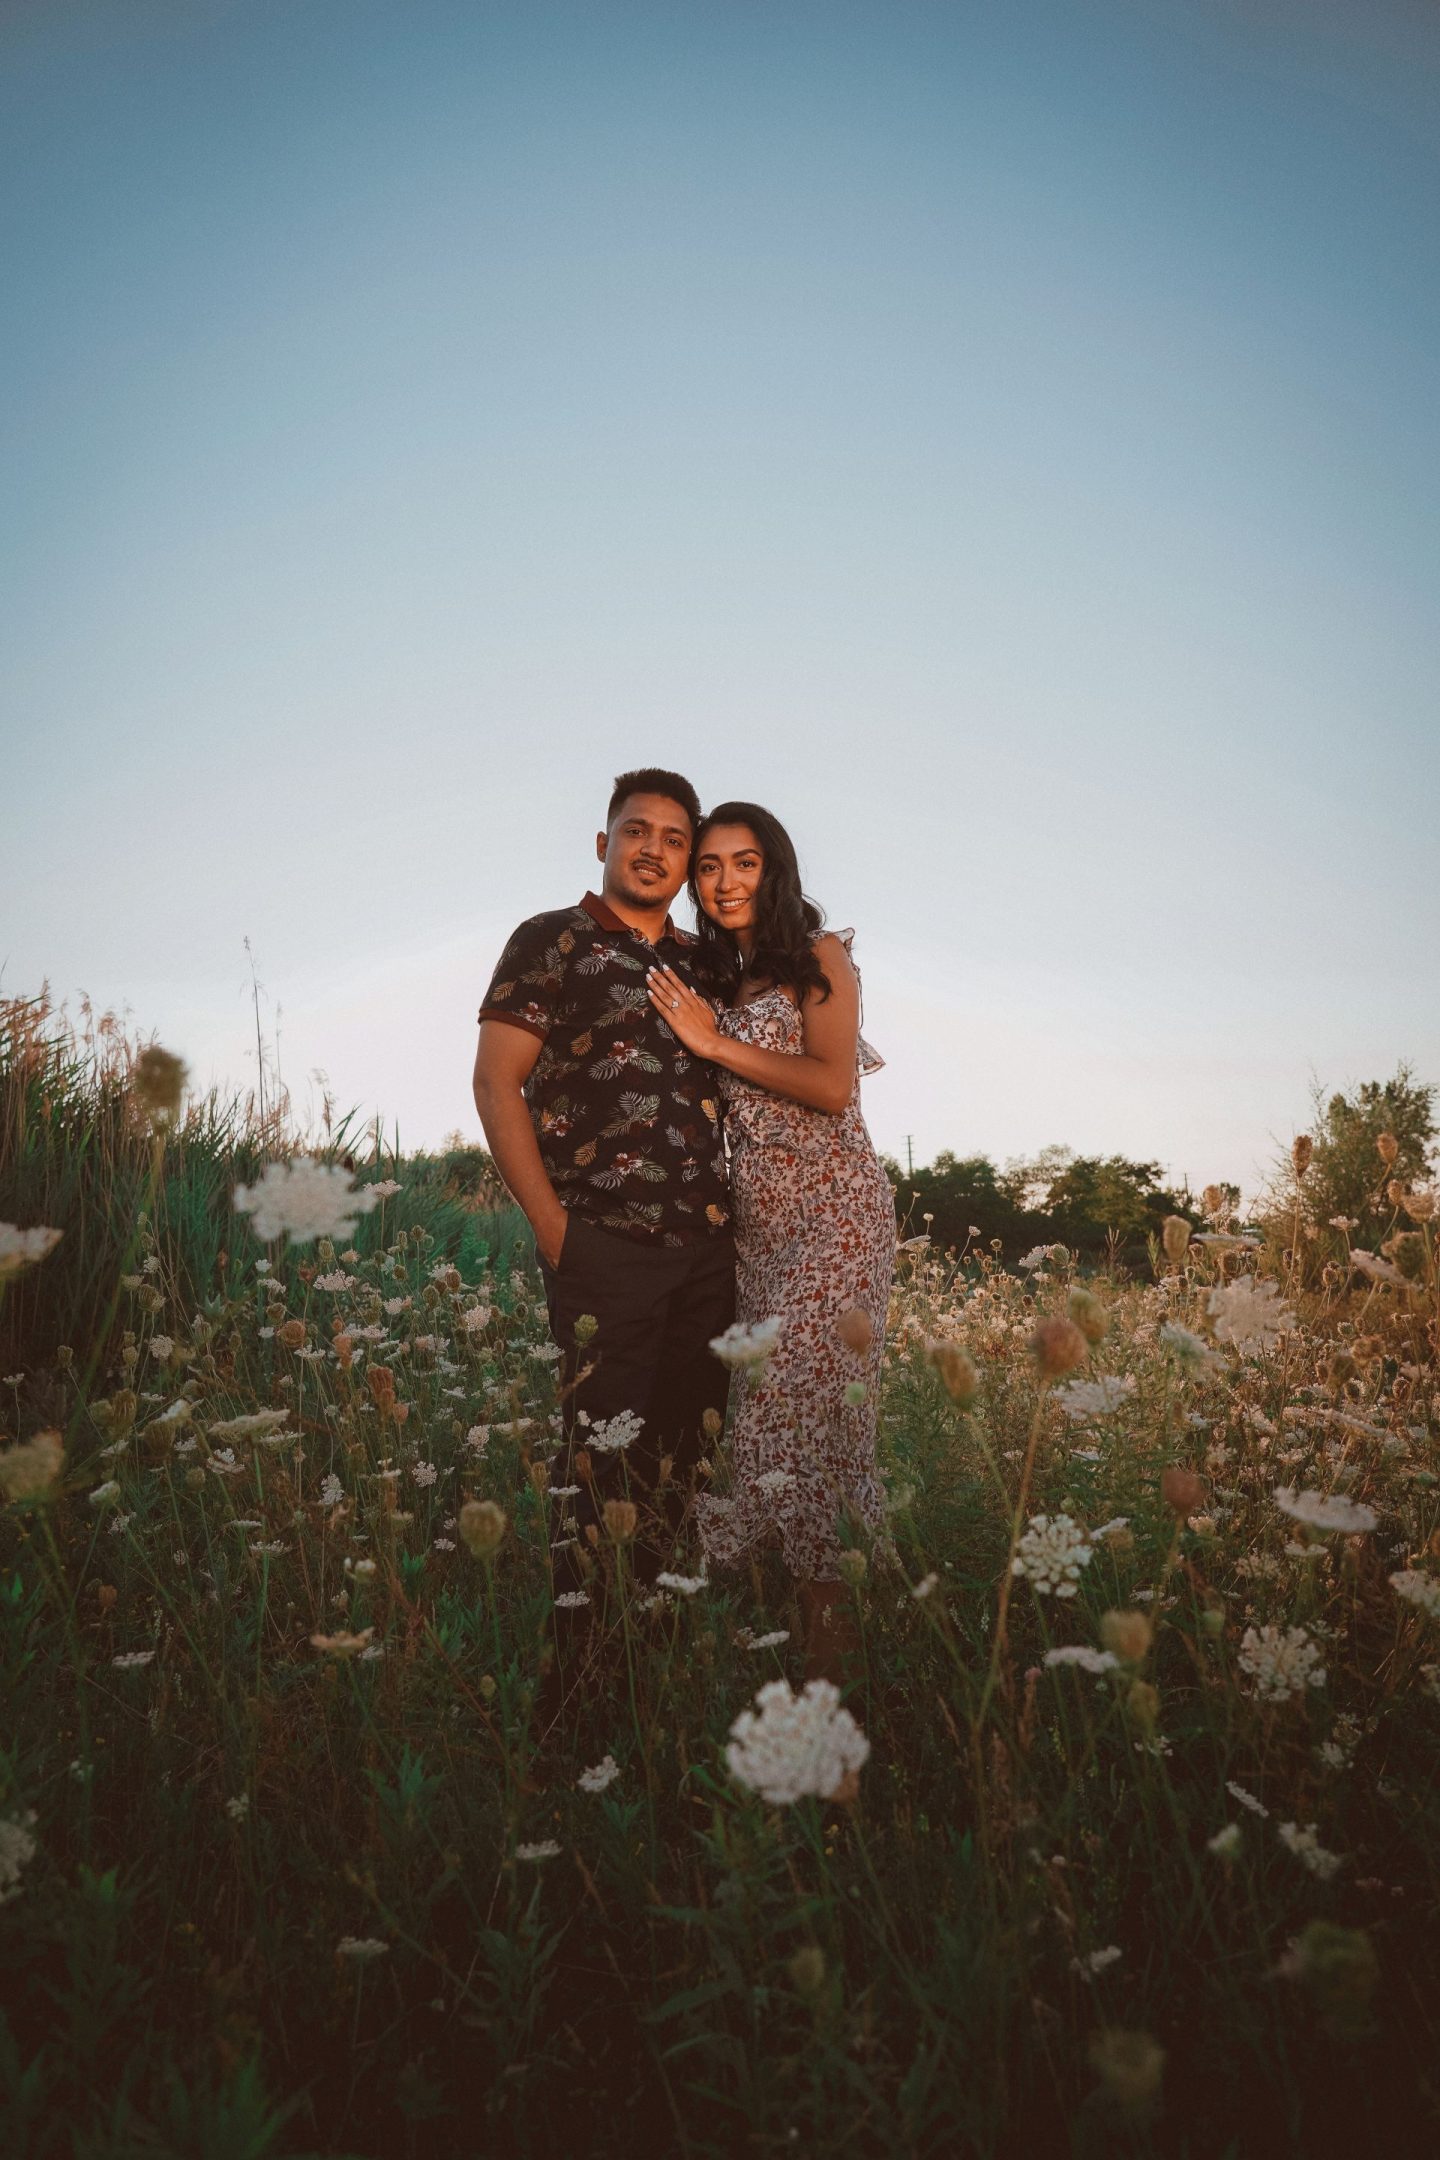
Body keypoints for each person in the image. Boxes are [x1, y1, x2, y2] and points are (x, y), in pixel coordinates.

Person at [471, 770, 735, 1621]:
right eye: (635, 830)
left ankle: (650, 1664)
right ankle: (582, 1699)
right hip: (602, 1245)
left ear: (689, 861)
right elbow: (495, 1084)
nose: (652, 849)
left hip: (706, 1254)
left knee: (683, 1464)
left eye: (672, 838)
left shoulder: (708, 963)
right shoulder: (552, 940)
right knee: (598, 1467)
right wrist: (555, 1233)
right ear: (603, 842)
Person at [643, 801, 893, 1686]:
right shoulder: (713, 978)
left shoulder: (819, 960)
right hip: (757, 1236)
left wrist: (711, 1042)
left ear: (774, 869)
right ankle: (792, 1661)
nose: (724, 882)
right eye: (708, 867)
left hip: (836, 1216)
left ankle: (810, 1663)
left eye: (743, 863)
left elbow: (831, 1088)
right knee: (789, 1432)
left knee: (791, 1420)